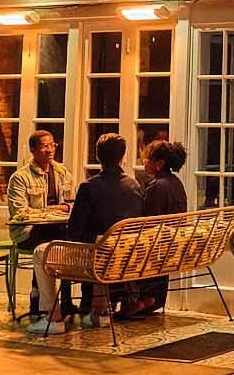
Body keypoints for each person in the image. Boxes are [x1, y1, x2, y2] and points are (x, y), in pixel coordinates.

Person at [30, 133, 147, 332]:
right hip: (123, 253)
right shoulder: (134, 185)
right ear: (122, 157)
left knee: (42, 251)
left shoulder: (89, 187)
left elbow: (74, 232)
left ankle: (53, 316)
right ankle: (100, 311)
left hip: (94, 255)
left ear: (98, 157)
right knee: (103, 245)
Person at [5, 129, 76, 315]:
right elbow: (20, 212)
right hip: (29, 232)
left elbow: (72, 203)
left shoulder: (62, 173)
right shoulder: (20, 177)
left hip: (58, 228)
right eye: (45, 146)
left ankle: (65, 297)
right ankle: (40, 298)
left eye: (52, 145)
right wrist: (50, 211)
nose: (50, 150)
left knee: (72, 237)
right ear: (33, 150)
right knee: (50, 240)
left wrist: (65, 208)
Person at [127, 138, 188, 318]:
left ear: (159, 164)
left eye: (148, 159)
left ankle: (141, 299)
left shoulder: (157, 187)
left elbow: (148, 223)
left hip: (157, 248)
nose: (144, 162)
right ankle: (151, 298)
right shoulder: (176, 183)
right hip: (171, 245)